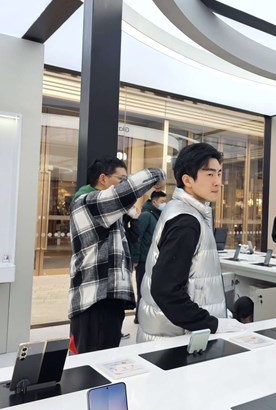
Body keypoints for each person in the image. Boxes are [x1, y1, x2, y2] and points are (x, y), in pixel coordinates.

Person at [136, 143, 245, 341]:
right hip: (175, 339)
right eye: (209, 174)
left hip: (175, 332)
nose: (218, 182)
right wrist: (212, 323)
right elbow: (165, 290)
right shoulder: (186, 221)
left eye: (219, 173)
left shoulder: (183, 210)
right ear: (187, 180)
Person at [67, 156, 165, 354]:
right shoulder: (88, 202)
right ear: (103, 179)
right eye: (121, 179)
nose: (124, 184)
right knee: (93, 362)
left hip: (107, 298)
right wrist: (158, 175)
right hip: (96, 300)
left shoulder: (105, 210)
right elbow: (128, 191)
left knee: (104, 359)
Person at [130, 190, 167, 323]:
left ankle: (146, 316)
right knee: (142, 289)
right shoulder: (146, 215)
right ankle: (139, 317)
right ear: (154, 202)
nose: (164, 204)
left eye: (165, 201)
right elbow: (137, 238)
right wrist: (135, 259)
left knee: (150, 289)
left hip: (153, 259)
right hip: (143, 260)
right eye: (162, 202)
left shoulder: (158, 215)